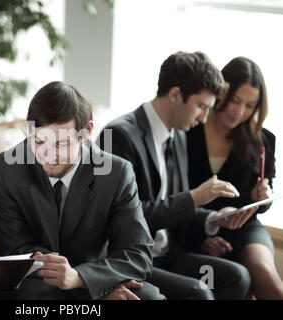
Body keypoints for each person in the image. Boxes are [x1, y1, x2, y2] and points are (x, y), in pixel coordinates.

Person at [0, 81, 164, 300]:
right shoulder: (5, 170)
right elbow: (15, 253)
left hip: (93, 273)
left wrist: (82, 279)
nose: (48, 155)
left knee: (150, 297)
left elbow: (137, 255)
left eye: (61, 144)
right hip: (35, 284)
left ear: (87, 132)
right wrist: (94, 293)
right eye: (39, 140)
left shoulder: (116, 173)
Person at [98, 51, 253, 299]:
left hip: (167, 254)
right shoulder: (119, 135)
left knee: (236, 277)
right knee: (199, 292)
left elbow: (169, 204)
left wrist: (211, 218)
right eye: (201, 106)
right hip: (131, 260)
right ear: (175, 94)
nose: (204, 119)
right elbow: (124, 219)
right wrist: (193, 198)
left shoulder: (179, 133)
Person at [186, 56, 283, 299]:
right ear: (221, 92)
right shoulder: (189, 129)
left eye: (250, 105)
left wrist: (264, 196)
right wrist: (202, 234)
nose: (239, 112)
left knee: (264, 273)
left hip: (243, 227)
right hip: (194, 226)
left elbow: (262, 205)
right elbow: (173, 196)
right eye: (235, 100)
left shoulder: (262, 139)